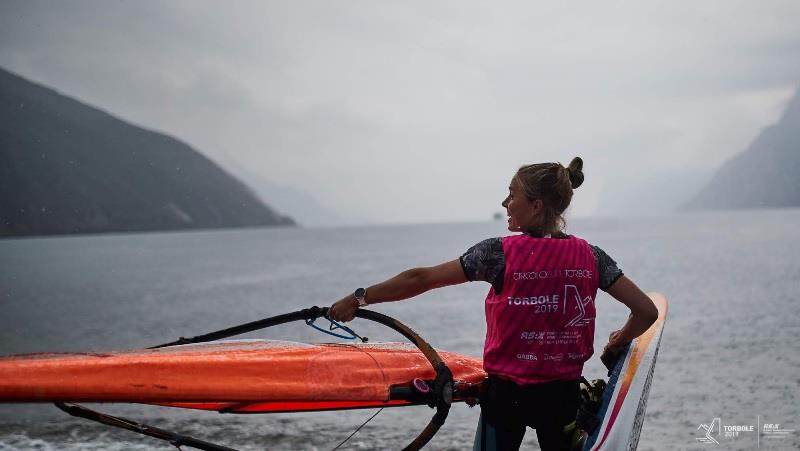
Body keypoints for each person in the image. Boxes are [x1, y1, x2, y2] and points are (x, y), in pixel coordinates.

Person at [328, 157, 659, 451]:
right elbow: (646, 311)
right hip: (562, 399)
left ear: (536, 206)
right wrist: (620, 338)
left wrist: (360, 298)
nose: (505, 203)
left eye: (512, 194)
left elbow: (421, 278)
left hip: (506, 399)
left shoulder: (496, 254)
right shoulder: (592, 256)